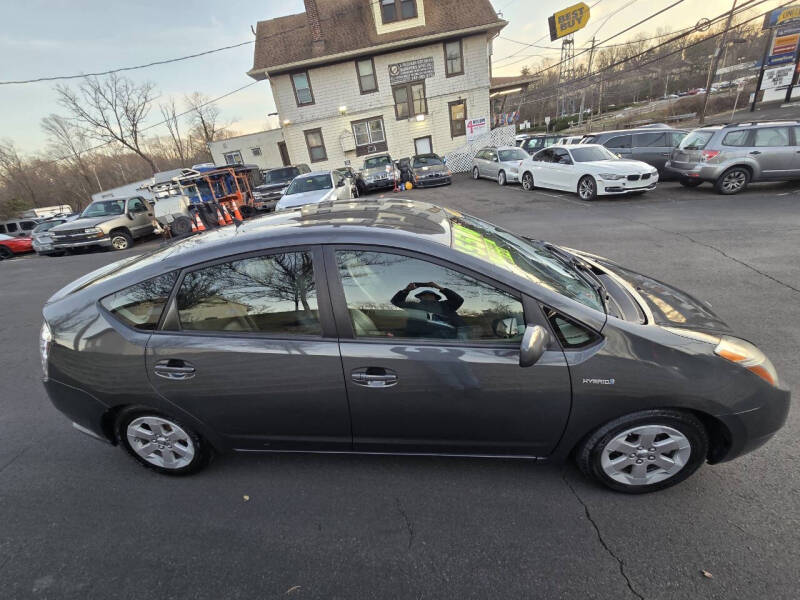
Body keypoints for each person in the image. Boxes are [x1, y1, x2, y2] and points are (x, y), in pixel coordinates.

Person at [391, 282, 464, 337]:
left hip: (445, 340)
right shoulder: (413, 306)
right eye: (424, 295)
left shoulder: (445, 305)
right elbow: (396, 301)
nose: (427, 296)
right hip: (417, 340)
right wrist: (406, 290)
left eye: (430, 295)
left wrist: (439, 287)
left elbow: (459, 300)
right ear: (420, 297)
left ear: (436, 297)